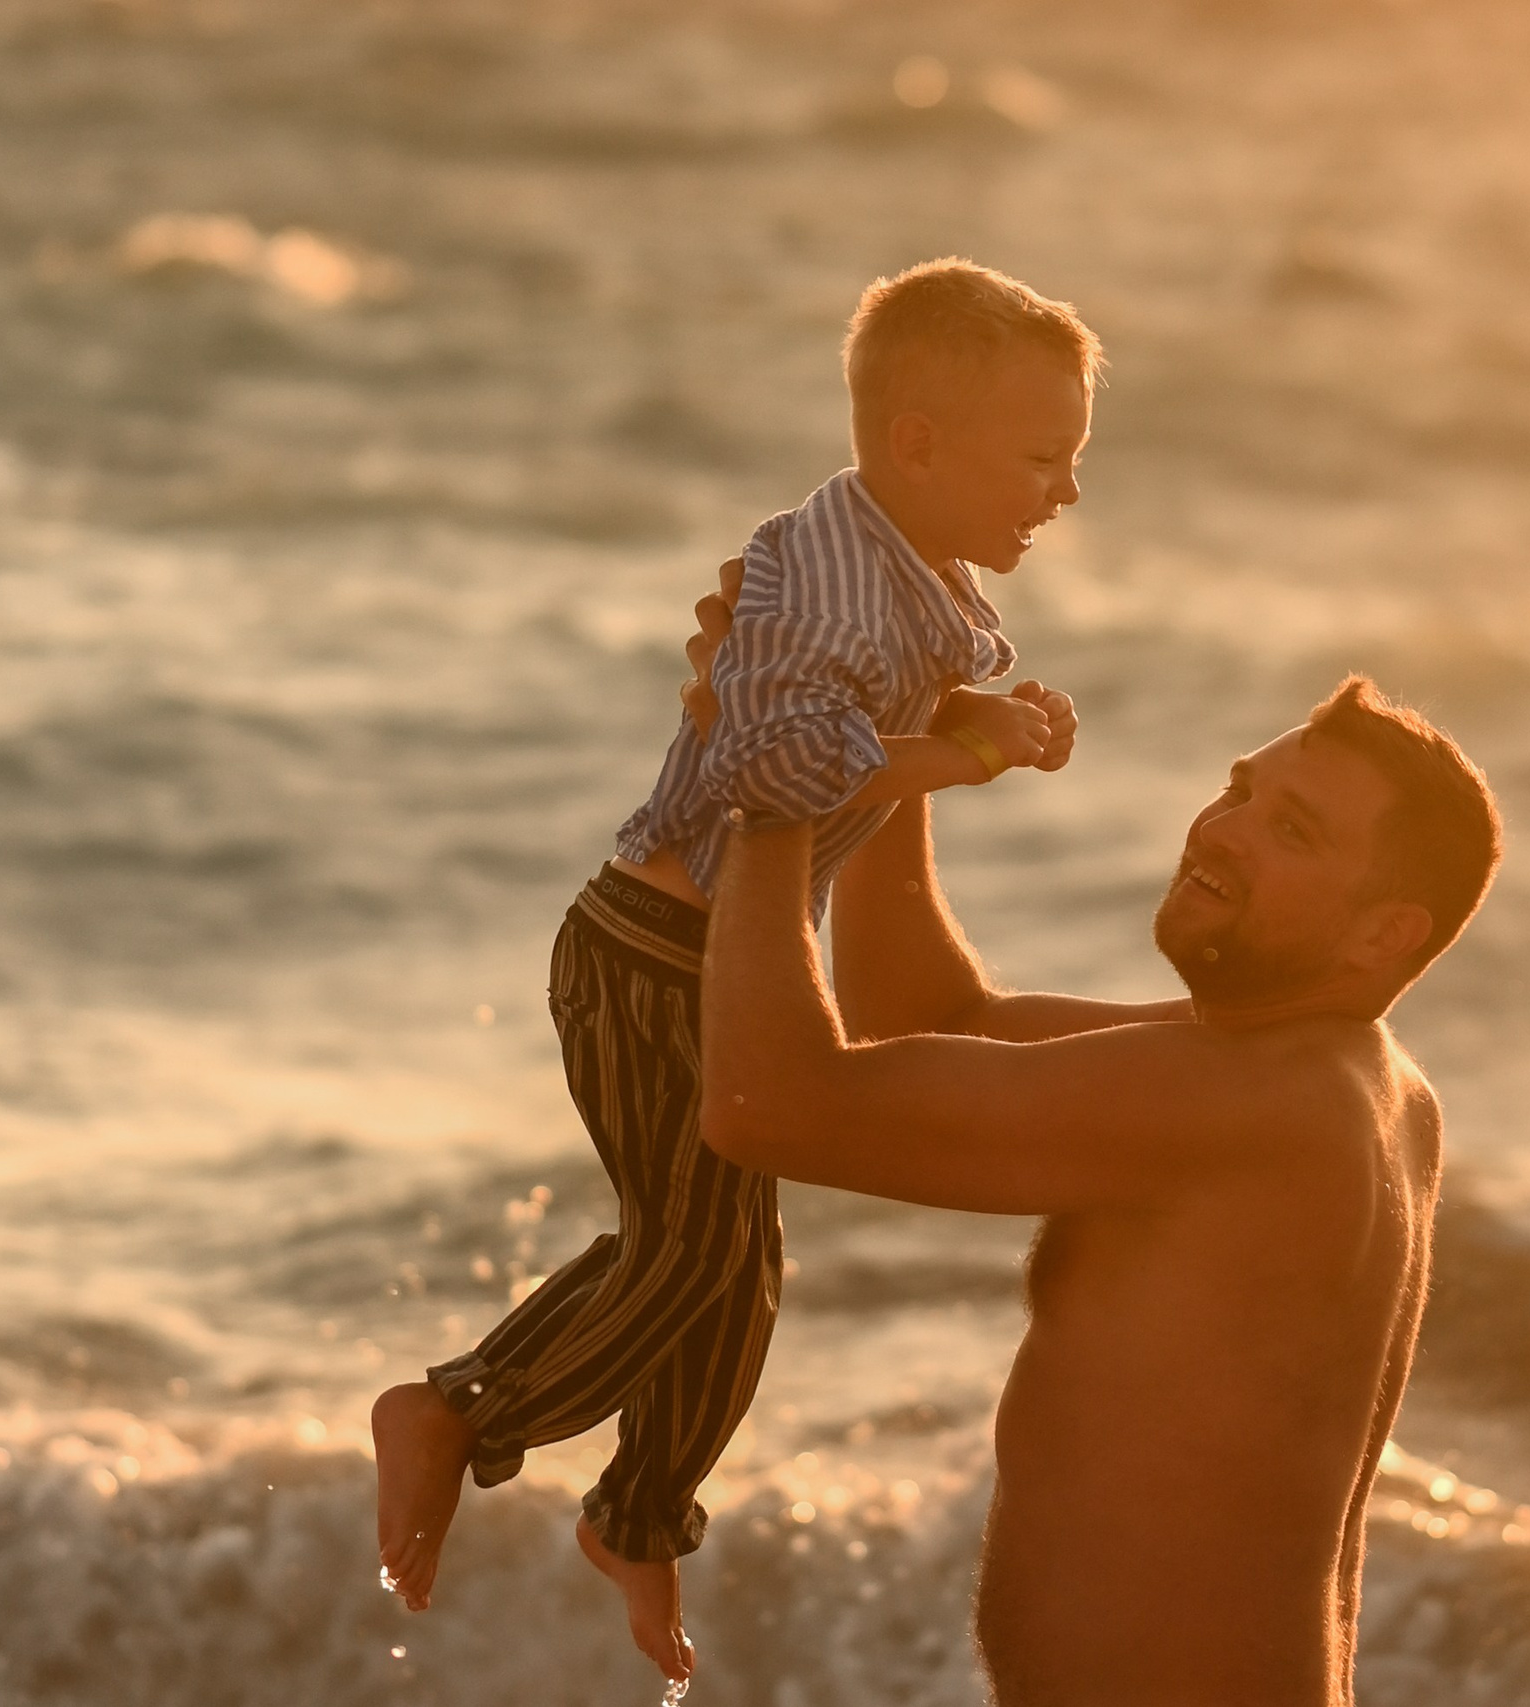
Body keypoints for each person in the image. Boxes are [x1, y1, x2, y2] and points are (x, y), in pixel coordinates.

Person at [370, 258, 1100, 1681]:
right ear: (918, 445)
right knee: (691, 1245)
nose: (1063, 493)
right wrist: (968, 750)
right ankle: (457, 1408)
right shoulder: (825, 578)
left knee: (731, 1265)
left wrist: (986, 712)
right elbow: (776, 763)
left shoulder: (902, 569)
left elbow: (861, 713)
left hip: (701, 960)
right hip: (650, 954)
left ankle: (637, 1514)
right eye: (1043, 458)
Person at [699, 671, 1504, 1705]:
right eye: (1238, 790)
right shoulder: (1335, 1079)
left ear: (1384, 934)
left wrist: (763, 794)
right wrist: (893, 747)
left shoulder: (1266, 1107)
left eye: (1291, 831)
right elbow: (921, 1015)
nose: (1221, 831)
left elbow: (764, 1105)